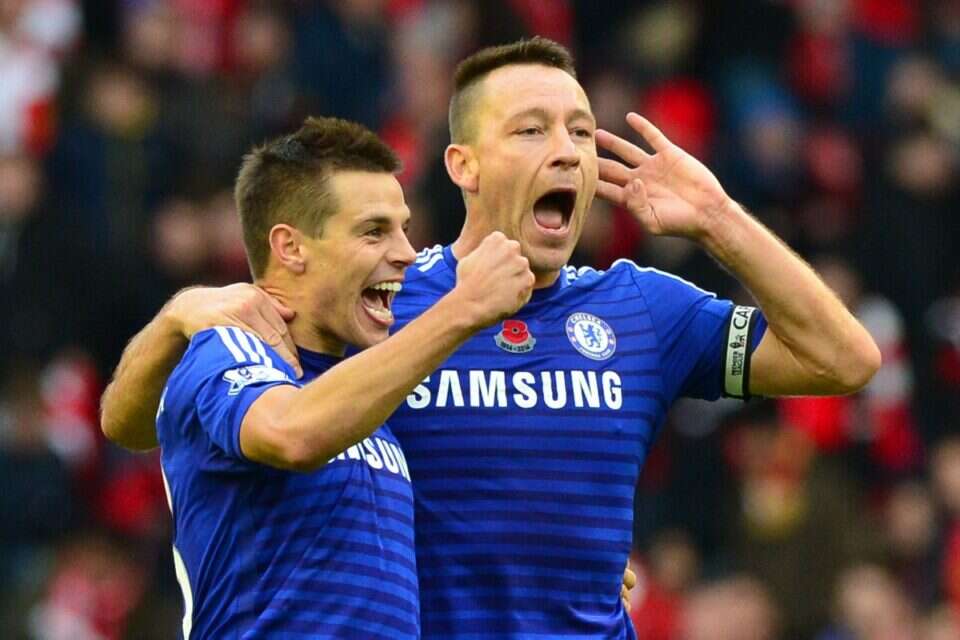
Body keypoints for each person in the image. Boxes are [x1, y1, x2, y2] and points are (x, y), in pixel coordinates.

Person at [101, 38, 880, 638]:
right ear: (463, 165)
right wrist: (182, 316)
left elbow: (842, 359)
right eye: (531, 130)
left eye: (581, 131)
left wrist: (719, 220)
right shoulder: (380, 303)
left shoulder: (642, 309)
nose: (566, 150)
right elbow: (175, 424)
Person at [127, 115, 535, 639]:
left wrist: (568, 566)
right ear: (291, 247)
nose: (406, 253)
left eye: (404, 228)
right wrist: (462, 309)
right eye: (374, 231)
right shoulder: (228, 346)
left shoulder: (367, 399)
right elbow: (290, 433)